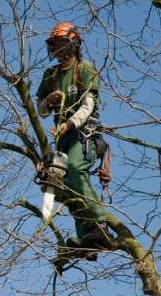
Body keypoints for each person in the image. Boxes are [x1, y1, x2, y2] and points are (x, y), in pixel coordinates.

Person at [35, 23, 110, 255]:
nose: (56, 47)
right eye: (53, 43)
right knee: (65, 186)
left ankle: (101, 224)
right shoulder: (51, 75)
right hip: (63, 140)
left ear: (72, 42)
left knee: (76, 170)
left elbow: (89, 105)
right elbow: (41, 110)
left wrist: (69, 123)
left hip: (84, 134)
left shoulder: (84, 69)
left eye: (59, 41)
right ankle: (87, 238)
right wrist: (49, 100)